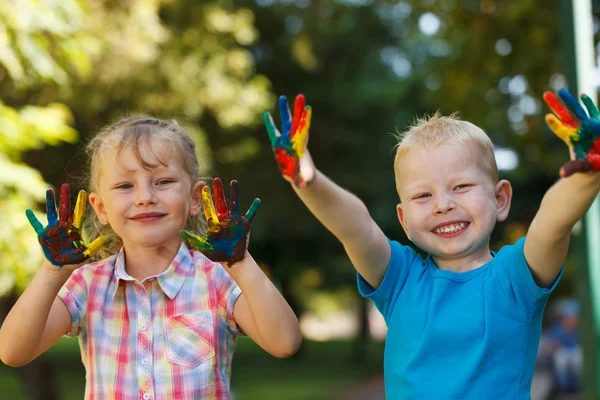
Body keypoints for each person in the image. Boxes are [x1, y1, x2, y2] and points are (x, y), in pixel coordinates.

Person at [262, 91, 600, 399]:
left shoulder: (515, 279)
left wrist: (586, 174)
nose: (442, 205)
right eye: (423, 195)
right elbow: (356, 228)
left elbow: (552, 225)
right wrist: (307, 181)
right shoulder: (400, 280)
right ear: (404, 220)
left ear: (500, 200)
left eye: (461, 186)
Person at [0, 117, 302, 400]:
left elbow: (285, 343)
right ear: (101, 208)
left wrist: (241, 263)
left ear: (195, 198)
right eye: (125, 186)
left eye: (164, 182)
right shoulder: (86, 284)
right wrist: (52, 272)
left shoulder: (217, 278)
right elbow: (12, 351)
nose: (145, 196)